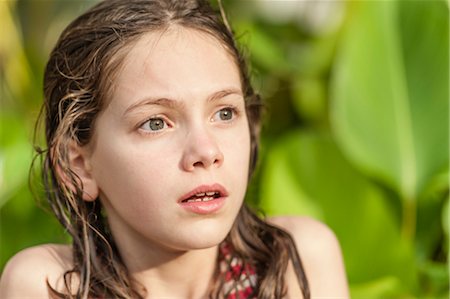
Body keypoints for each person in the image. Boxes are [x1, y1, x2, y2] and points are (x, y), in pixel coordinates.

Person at [0, 0, 349, 298]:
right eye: (155, 123)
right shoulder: (51, 285)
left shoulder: (296, 260)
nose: (206, 150)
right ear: (79, 164)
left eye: (224, 113)